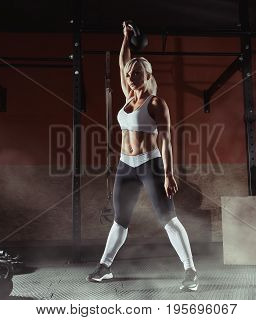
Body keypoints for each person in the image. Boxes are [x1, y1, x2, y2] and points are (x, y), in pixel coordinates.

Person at [87, 21, 198, 292]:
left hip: (151, 164)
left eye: (137, 73)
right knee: (120, 219)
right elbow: (122, 62)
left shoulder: (156, 103)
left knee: (168, 218)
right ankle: (105, 266)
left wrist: (169, 173)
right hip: (126, 165)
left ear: (148, 75)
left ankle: (190, 271)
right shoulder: (127, 97)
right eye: (129, 74)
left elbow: (166, 139)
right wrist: (125, 37)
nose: (132, 76)